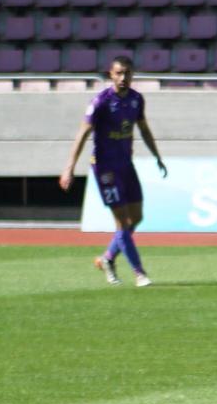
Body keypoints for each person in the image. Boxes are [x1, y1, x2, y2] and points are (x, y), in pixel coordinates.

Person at [59, 56, 165, 287]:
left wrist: (157, 155)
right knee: (122, 221)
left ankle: (107, 258)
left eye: (127, 73)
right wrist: (69, 167)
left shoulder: (137, 100)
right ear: (111, 75)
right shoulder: (101, 102)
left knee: (136, 217)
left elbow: (144, 128)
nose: (123, 78)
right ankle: (139, 273)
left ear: (133, 74)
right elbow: (83, 133)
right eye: (118, 73)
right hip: (106, 169)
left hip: (126, 165)